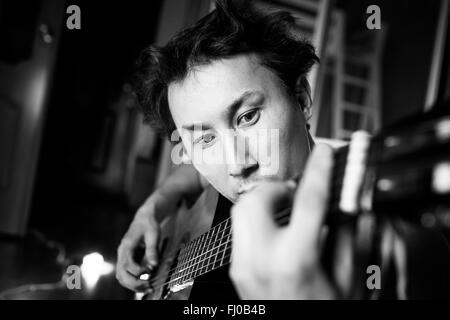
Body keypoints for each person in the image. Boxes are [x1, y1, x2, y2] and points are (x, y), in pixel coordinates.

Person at [116, 0, 450, 299]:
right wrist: (155, 205)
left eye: (248, 117)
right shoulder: (215, 174)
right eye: (204, 138)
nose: (236, 165)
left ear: (302, 99)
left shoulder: (398, 255)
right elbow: (194, 170)